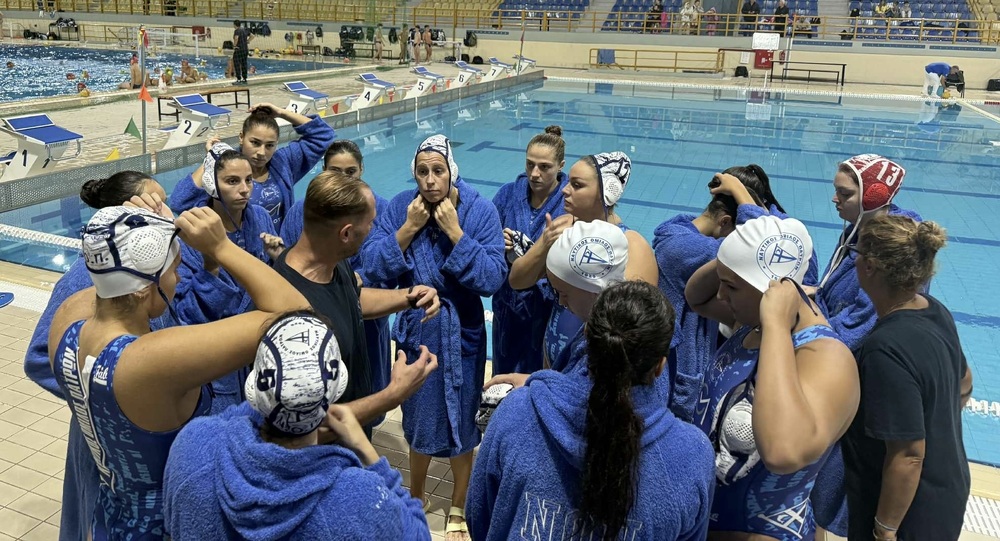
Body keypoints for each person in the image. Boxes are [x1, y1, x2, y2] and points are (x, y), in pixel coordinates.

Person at [48, 202, 309, 539]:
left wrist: (135, 228)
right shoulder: (152, 361)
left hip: (109, 519)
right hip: (170, 525)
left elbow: (107, 269)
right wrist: (221, 246)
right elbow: (299, 320)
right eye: (174, 270)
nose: (180, 277)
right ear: (145, 289)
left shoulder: (67, 322)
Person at [467, 251, 716, 540]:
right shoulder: (692, 457)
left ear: (587, 338)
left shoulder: (518, 414)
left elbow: (479, 517)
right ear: (660, 365)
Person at [163, 313, 433, 540]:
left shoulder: (192, 446)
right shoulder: (358, 500)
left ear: (255, 385)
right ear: (336, 387)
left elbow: (235, 416)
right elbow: (417, 532)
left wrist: (275, 401)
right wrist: (369, 454)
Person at [360, 135, 506, 541]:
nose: (429, 180)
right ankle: (417, 493)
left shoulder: (478, 210)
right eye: (422, 171)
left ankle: (458, 502)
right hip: (417, 331)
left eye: (437, 171)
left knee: (463, 423)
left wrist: (456, 233)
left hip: (462, 337)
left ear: (451, 172)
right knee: (417, 419)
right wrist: (408, 229)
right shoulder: (401, 208)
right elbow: (371, 267)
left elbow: (493, 278)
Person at [685, 215, 860, 540]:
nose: (721, 294)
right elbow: (696, 297)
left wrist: (777, 323)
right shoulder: (752, 325)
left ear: (771, 289)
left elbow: (783, 453)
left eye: (732, 286)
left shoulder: (825, 357)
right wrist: (733, 254)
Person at [24, 172, 167, 541]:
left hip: (139, 432)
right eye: (154, 205)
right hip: (104, 434)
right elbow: (38, 357)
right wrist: (101, 395)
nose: (165, 212)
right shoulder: (84, 278)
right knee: (93, 516)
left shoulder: (147, 270)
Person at [274, 171, 443, 437]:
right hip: (324, 455)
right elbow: (304, 429)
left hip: (353, 436)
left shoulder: (330, 262)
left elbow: (352, 299)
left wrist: (409, 297)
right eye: (370, 223)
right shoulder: (294, 312)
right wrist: (393, 394)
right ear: (346, 233)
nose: (372, 230)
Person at [810, 154, 922, 538]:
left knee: (841, 481)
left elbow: (858, 324)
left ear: (874, 197)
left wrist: (806, 337)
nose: (834, 199)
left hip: (859, 382)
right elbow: (835, 291)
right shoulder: (859, 231)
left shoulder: (892, 254)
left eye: (844, 193)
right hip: (845, 369)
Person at [842, 215, 972, 541]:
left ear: (869, 266)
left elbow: (909, 455)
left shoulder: (884, 348)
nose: (853, 260)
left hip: (909, 512)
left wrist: (884, 531)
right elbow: (965, 383)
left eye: (856, 253)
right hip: (948, 487)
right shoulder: (933, 309)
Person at [506, 151, 658, 374]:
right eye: (568, 182)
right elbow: (517, 281)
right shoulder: (564, 226)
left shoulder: (632, 246)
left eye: (577, 185)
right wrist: (545, 243)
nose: (565, 190)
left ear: (607, 193)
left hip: (596, 369)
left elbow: (636, 330)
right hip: (553, 357)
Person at [280, 141, 397, 422]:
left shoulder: (378, 207)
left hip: (368, 321)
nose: (344, 179)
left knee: (366, 391)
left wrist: (365, 278)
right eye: (335, 171)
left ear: (362, 170)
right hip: (319, 317)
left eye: (351, 172)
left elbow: (390, 265)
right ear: (323, 171)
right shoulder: (303, 210)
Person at [169, 142, 279, 413]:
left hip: (258, 346)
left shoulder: (260, 217)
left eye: (249, 180)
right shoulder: (190, 235)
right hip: (217, 358)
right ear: (211, 184)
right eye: (232, 181)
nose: (245, 189)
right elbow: (185, 314)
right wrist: (211, 270)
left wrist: (279, 257)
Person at [652, 171, 769, 423]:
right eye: (734, 234)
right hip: (677, 376)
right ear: (725, 222)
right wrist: (738, 189)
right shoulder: (688, 250)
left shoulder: (682, 233)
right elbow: (762, 242)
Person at [167, 103, 336, 230]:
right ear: (241, 137)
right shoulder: (225, 168)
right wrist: (213, 158)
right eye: (255, 143)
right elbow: (179, 202)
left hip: (277, 253)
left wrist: (282, 113)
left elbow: (324, 135)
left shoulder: (283, 163)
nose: (262, 152)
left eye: (270, 145)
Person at [491, 126, 568, 376]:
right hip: (508, 310)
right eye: (530, 164)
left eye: (544, 167)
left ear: (560, 166)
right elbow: (487, 245)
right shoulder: (507, 195)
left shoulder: (569, 204)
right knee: (503, 378)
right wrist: (500, 243)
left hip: (547, 312)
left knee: (540, 379)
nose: (535, 174)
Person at [232, 19, 253, 85]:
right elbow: (252, 36)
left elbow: (236, 38)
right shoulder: (245, 29)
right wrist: (248, 41)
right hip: (245, 49)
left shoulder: (237, 31)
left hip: (239, 49)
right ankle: (244, 78)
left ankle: (238, 79)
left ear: (235, 25)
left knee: (237, 64)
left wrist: (234, 46)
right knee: (244, 64)